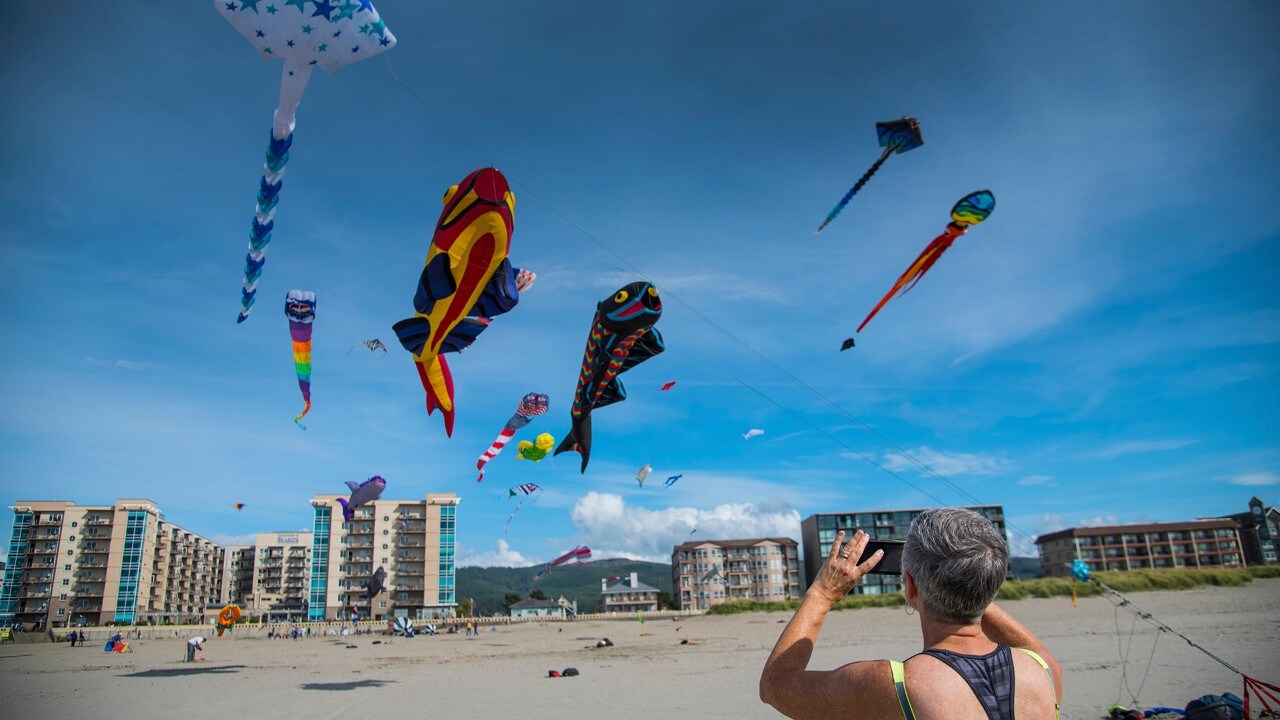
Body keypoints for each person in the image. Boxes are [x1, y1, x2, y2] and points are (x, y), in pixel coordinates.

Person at [760, 508, 1062, 720]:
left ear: (911, 586)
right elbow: (1029, 645)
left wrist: (822, 593)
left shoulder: (893, 686)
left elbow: (775, 686)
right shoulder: (1044, 669)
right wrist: (968, 579)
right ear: (992, 583)